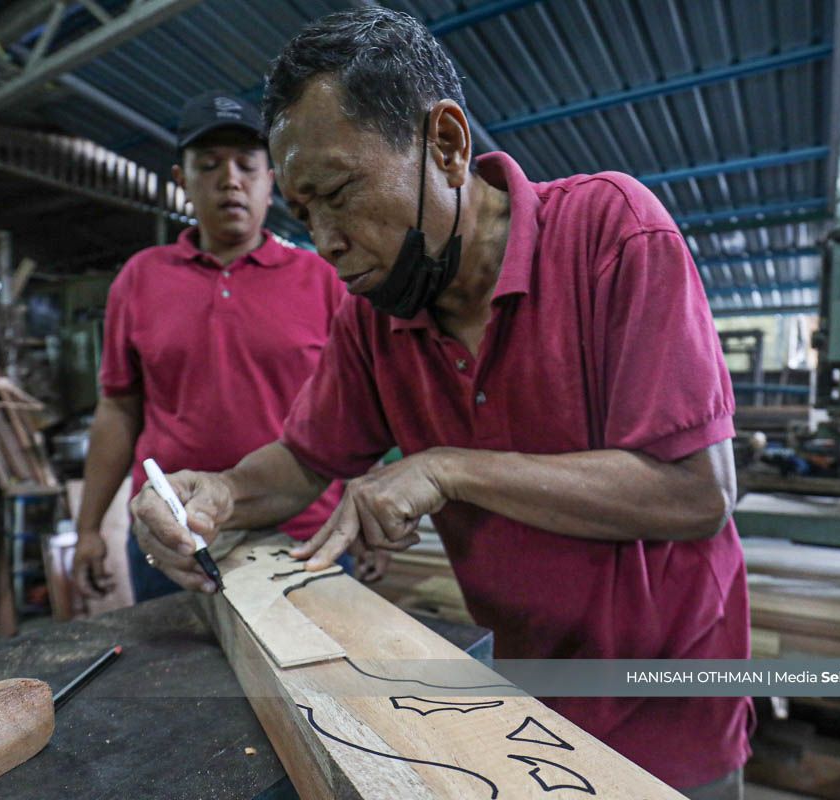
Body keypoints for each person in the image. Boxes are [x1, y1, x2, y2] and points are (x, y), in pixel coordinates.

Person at [132, 10, 752, 799]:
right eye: (304, 212)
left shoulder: (611, 234)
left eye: (340, 193)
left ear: (449, 144)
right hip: (518, 702)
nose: (326, 240)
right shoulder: (374, 315)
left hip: (668, 711)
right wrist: (218, 493)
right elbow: (305, 460)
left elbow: (697, 494)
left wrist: (448, 469)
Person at [73, 91, 384, 604]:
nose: (230, 180)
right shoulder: (140, 279)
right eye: (209, 165)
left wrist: (364, 510)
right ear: (182, 181)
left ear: (272, 180)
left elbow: (355, 410)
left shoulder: (324, 278)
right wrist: (88, 528)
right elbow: (118, 409)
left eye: (246, 164)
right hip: (176, 539)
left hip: (306, 534)